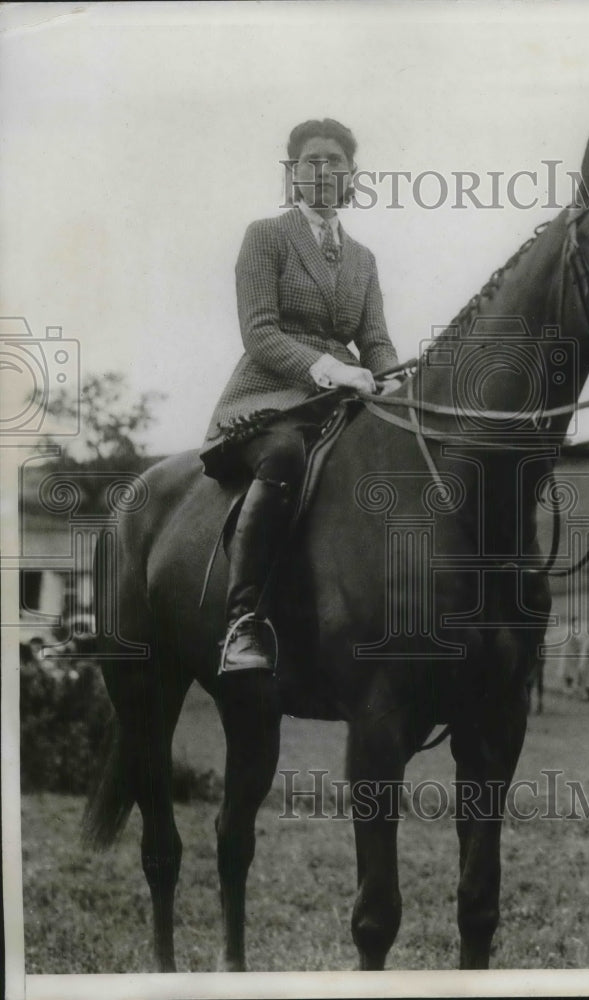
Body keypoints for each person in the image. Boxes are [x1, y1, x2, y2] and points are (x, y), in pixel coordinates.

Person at [200, 118, 399, 674]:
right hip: (270, 397)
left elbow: (376, 339)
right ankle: (243, 620)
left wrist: (395, 379)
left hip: (345, 401)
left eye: (335, 161)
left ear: (352, 176)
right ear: (293, 174)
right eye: (311, 160)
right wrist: (333, 370)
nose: (324, 170)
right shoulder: (265, 236)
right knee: (285, 455)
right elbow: (260, 332)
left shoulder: (364, 259)